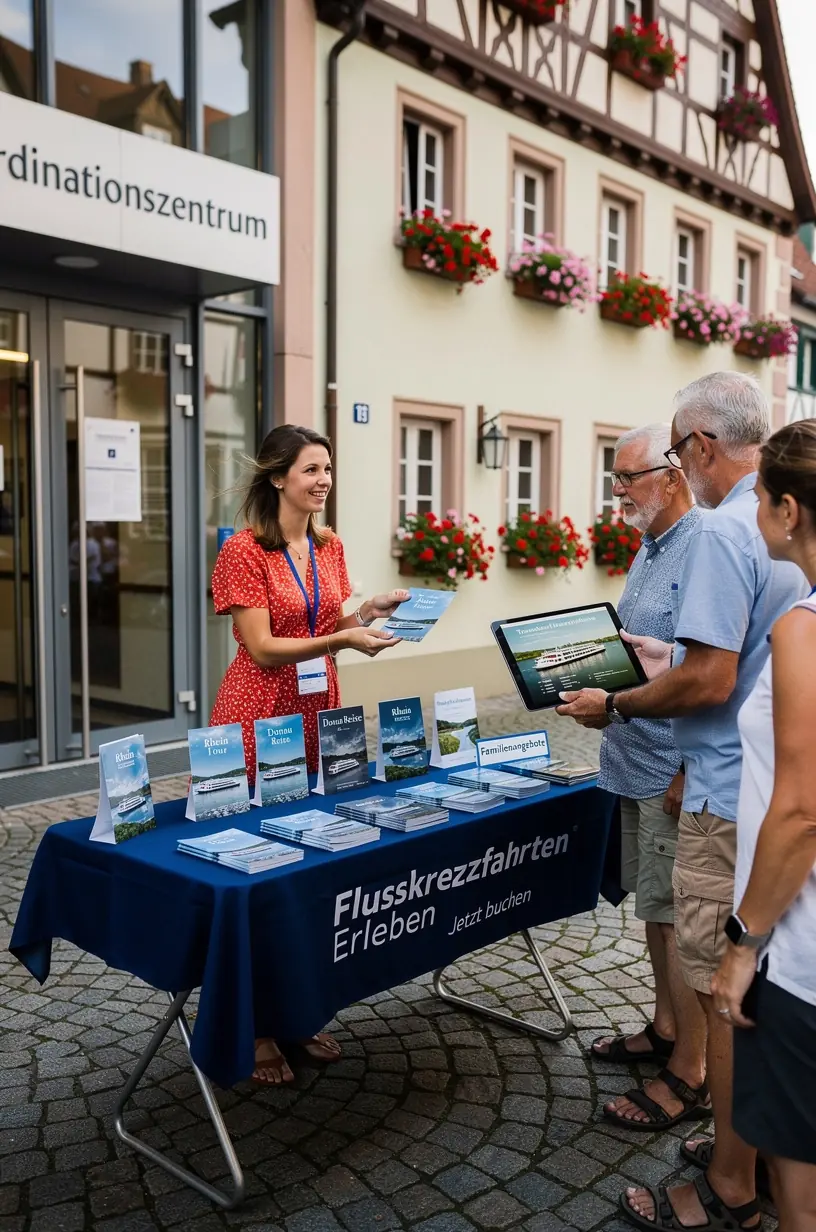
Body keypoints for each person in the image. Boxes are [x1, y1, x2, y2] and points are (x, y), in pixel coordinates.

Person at [556, 372, 807, 1231]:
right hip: (753, 788)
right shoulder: (767, 530)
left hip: (725, 791)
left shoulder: (725, 530)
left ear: (699, 447)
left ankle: (731, 1184)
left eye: (672, 451)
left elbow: (711, 679)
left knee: (722, 996)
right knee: (755, 993)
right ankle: (755, 1154)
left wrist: (618, 701)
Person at [211, 423, 409, 1085]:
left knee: (310, 861)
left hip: (319, 709)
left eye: (327, 469)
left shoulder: (329, 545)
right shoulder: (244, 550)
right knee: (258, 868)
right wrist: (344, 641)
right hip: (259, 713)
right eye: (310, 470)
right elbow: (263, 647)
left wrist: (367, 611)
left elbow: (329, 621)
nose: (323, 481)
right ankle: (256, 1028)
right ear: (277, 478)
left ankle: (295, 1011)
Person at [588, 425, 709, 1135]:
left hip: (671, 765)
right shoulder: (651, 543)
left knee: (677, 923)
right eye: (614, 478)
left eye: (627, 477)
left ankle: (690, 1069)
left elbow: (712, 672)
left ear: (671, 475)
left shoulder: (703, 548)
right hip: (632, 758)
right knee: (653, 913)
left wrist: (691, 766)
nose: (618, 491)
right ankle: (665, 1028)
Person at [712, 421, 816, 1231]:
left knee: (800, 1192)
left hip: (802, 949)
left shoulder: (803, 628)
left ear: (788, 510)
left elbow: (802, 810)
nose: (753, 514)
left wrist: (743, 944)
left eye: (759, 498)